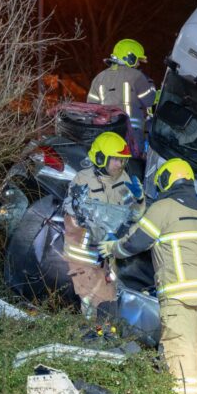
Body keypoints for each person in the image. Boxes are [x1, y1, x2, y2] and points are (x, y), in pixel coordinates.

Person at [102, 158, 197, 394]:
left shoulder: (164, 207)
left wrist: (112, 248)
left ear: (166, 180)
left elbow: (136, 242)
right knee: (192, 349)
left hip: (179, 291)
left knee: (176, 349)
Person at [62, 132, 144, 317]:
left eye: (123, 160)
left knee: (109, 298)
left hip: (108, 254)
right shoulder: (83, 180)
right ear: (100, 158)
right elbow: (77, 217)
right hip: (84, 252)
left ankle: (102, 328)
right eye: (115, 159)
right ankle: (89, 328)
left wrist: (139, 201)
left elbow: (132, 215)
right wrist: (103, 233)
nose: (120, 164)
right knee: (91, 298)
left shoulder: (123, 179)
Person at [87, 39, 156, 126]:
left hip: (107, 129)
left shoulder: (98, 78)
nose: (138, 64)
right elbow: (150, 101)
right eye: (137, 60)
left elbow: (91, 107)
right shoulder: (137, 76)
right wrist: (150, 84)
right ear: (130, 58)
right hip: (132, 129)